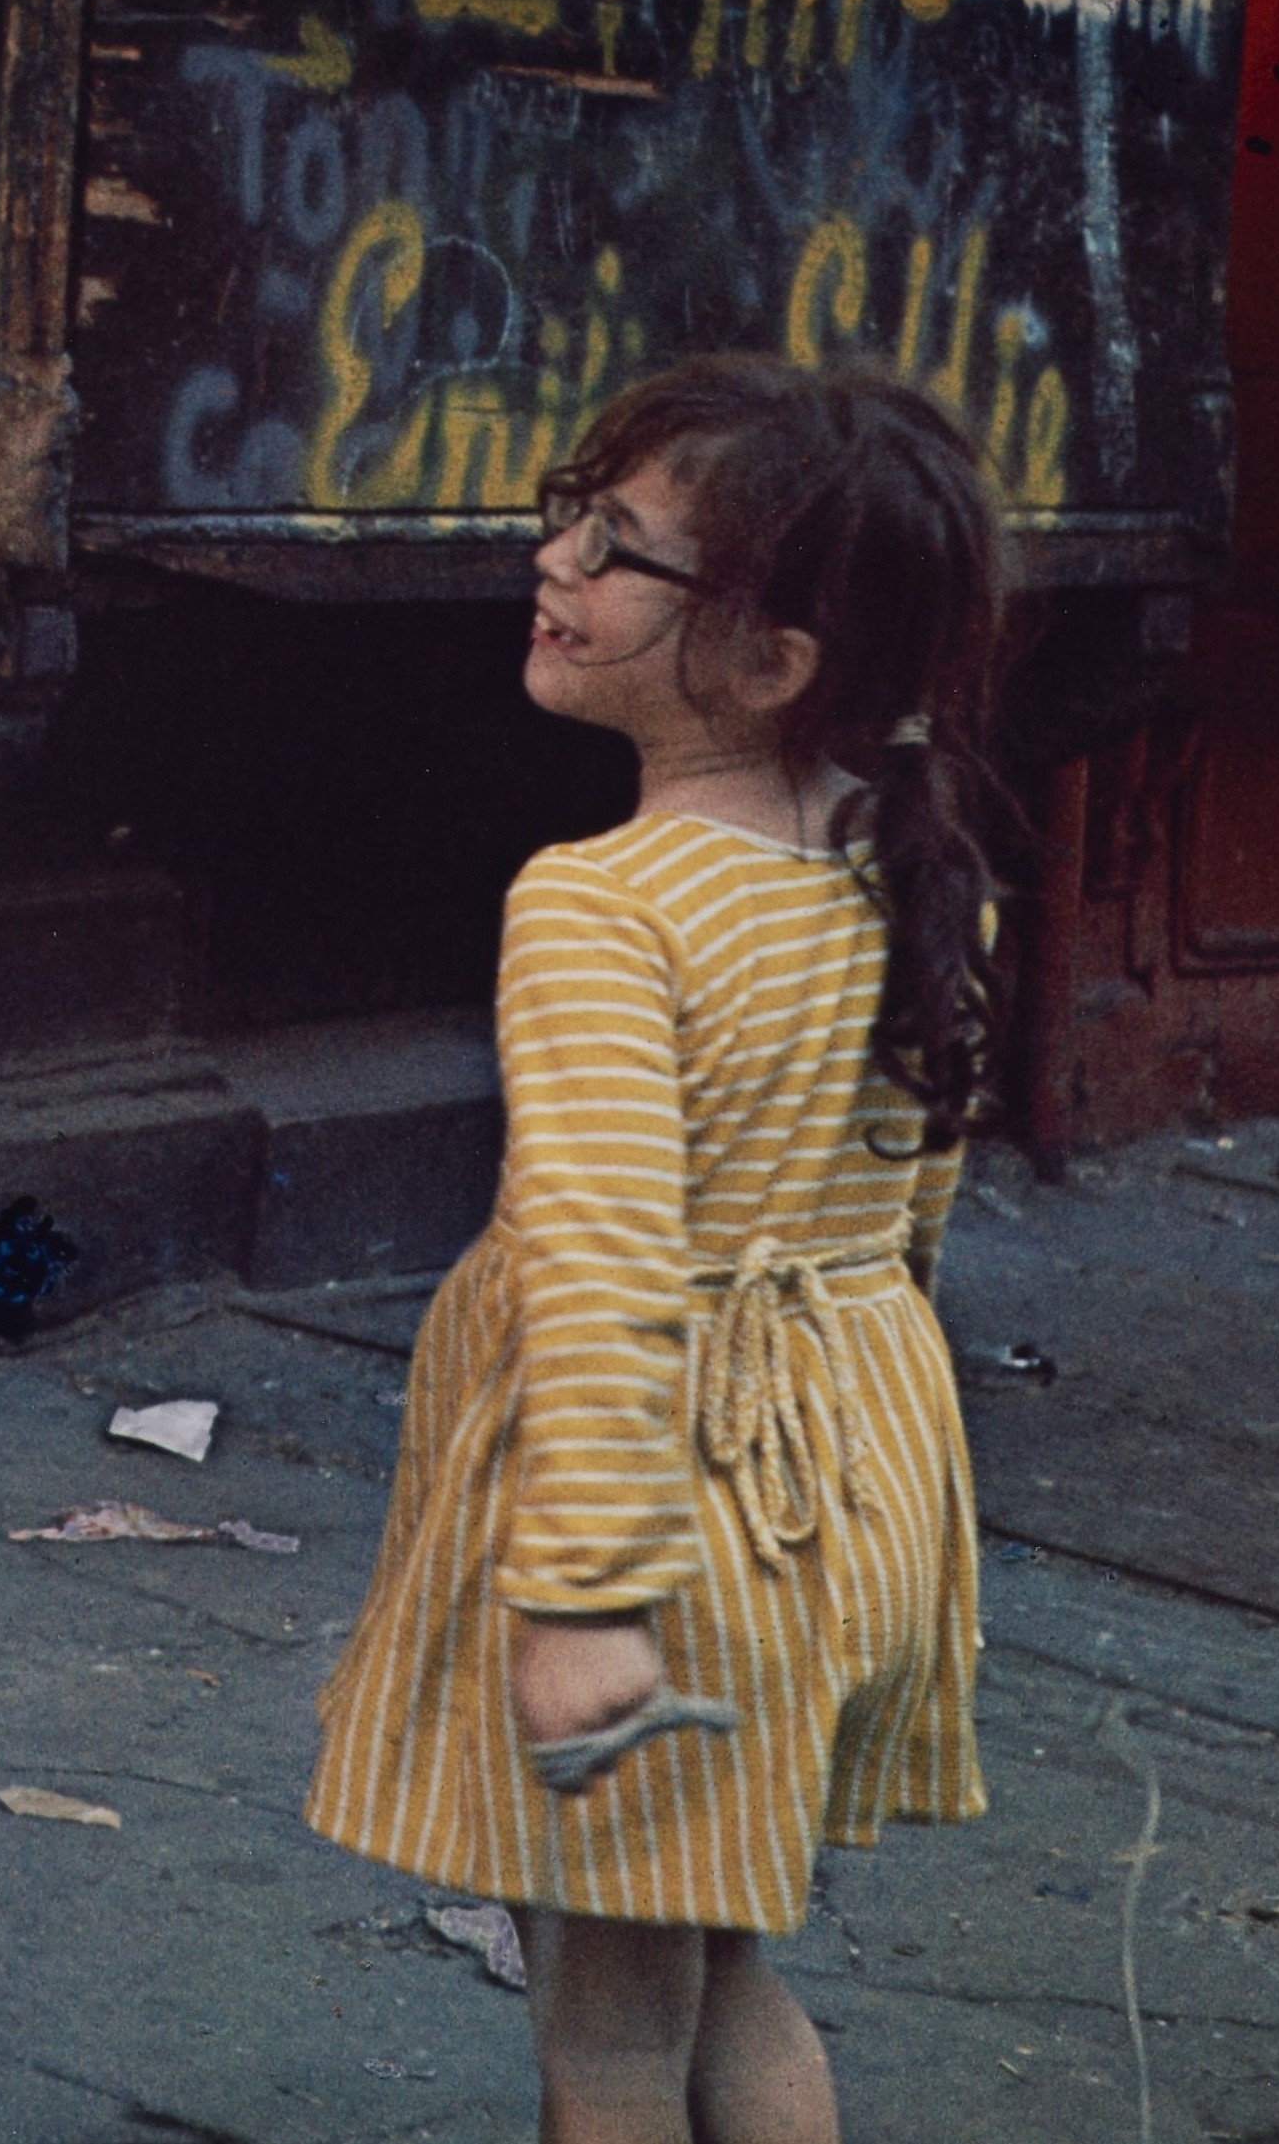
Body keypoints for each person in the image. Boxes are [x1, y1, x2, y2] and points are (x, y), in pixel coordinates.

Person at [303, 357, 1007, 2144]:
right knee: (719, 1961)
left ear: (769, 659)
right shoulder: (901, 861)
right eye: (574, 509)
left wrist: (582, 1596)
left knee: (605, 2034)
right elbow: (908, 1208)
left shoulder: (600, 907)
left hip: (666, 1512)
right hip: (841, 1480)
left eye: (618, 549)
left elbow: (605, 1262)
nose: (554, 558)